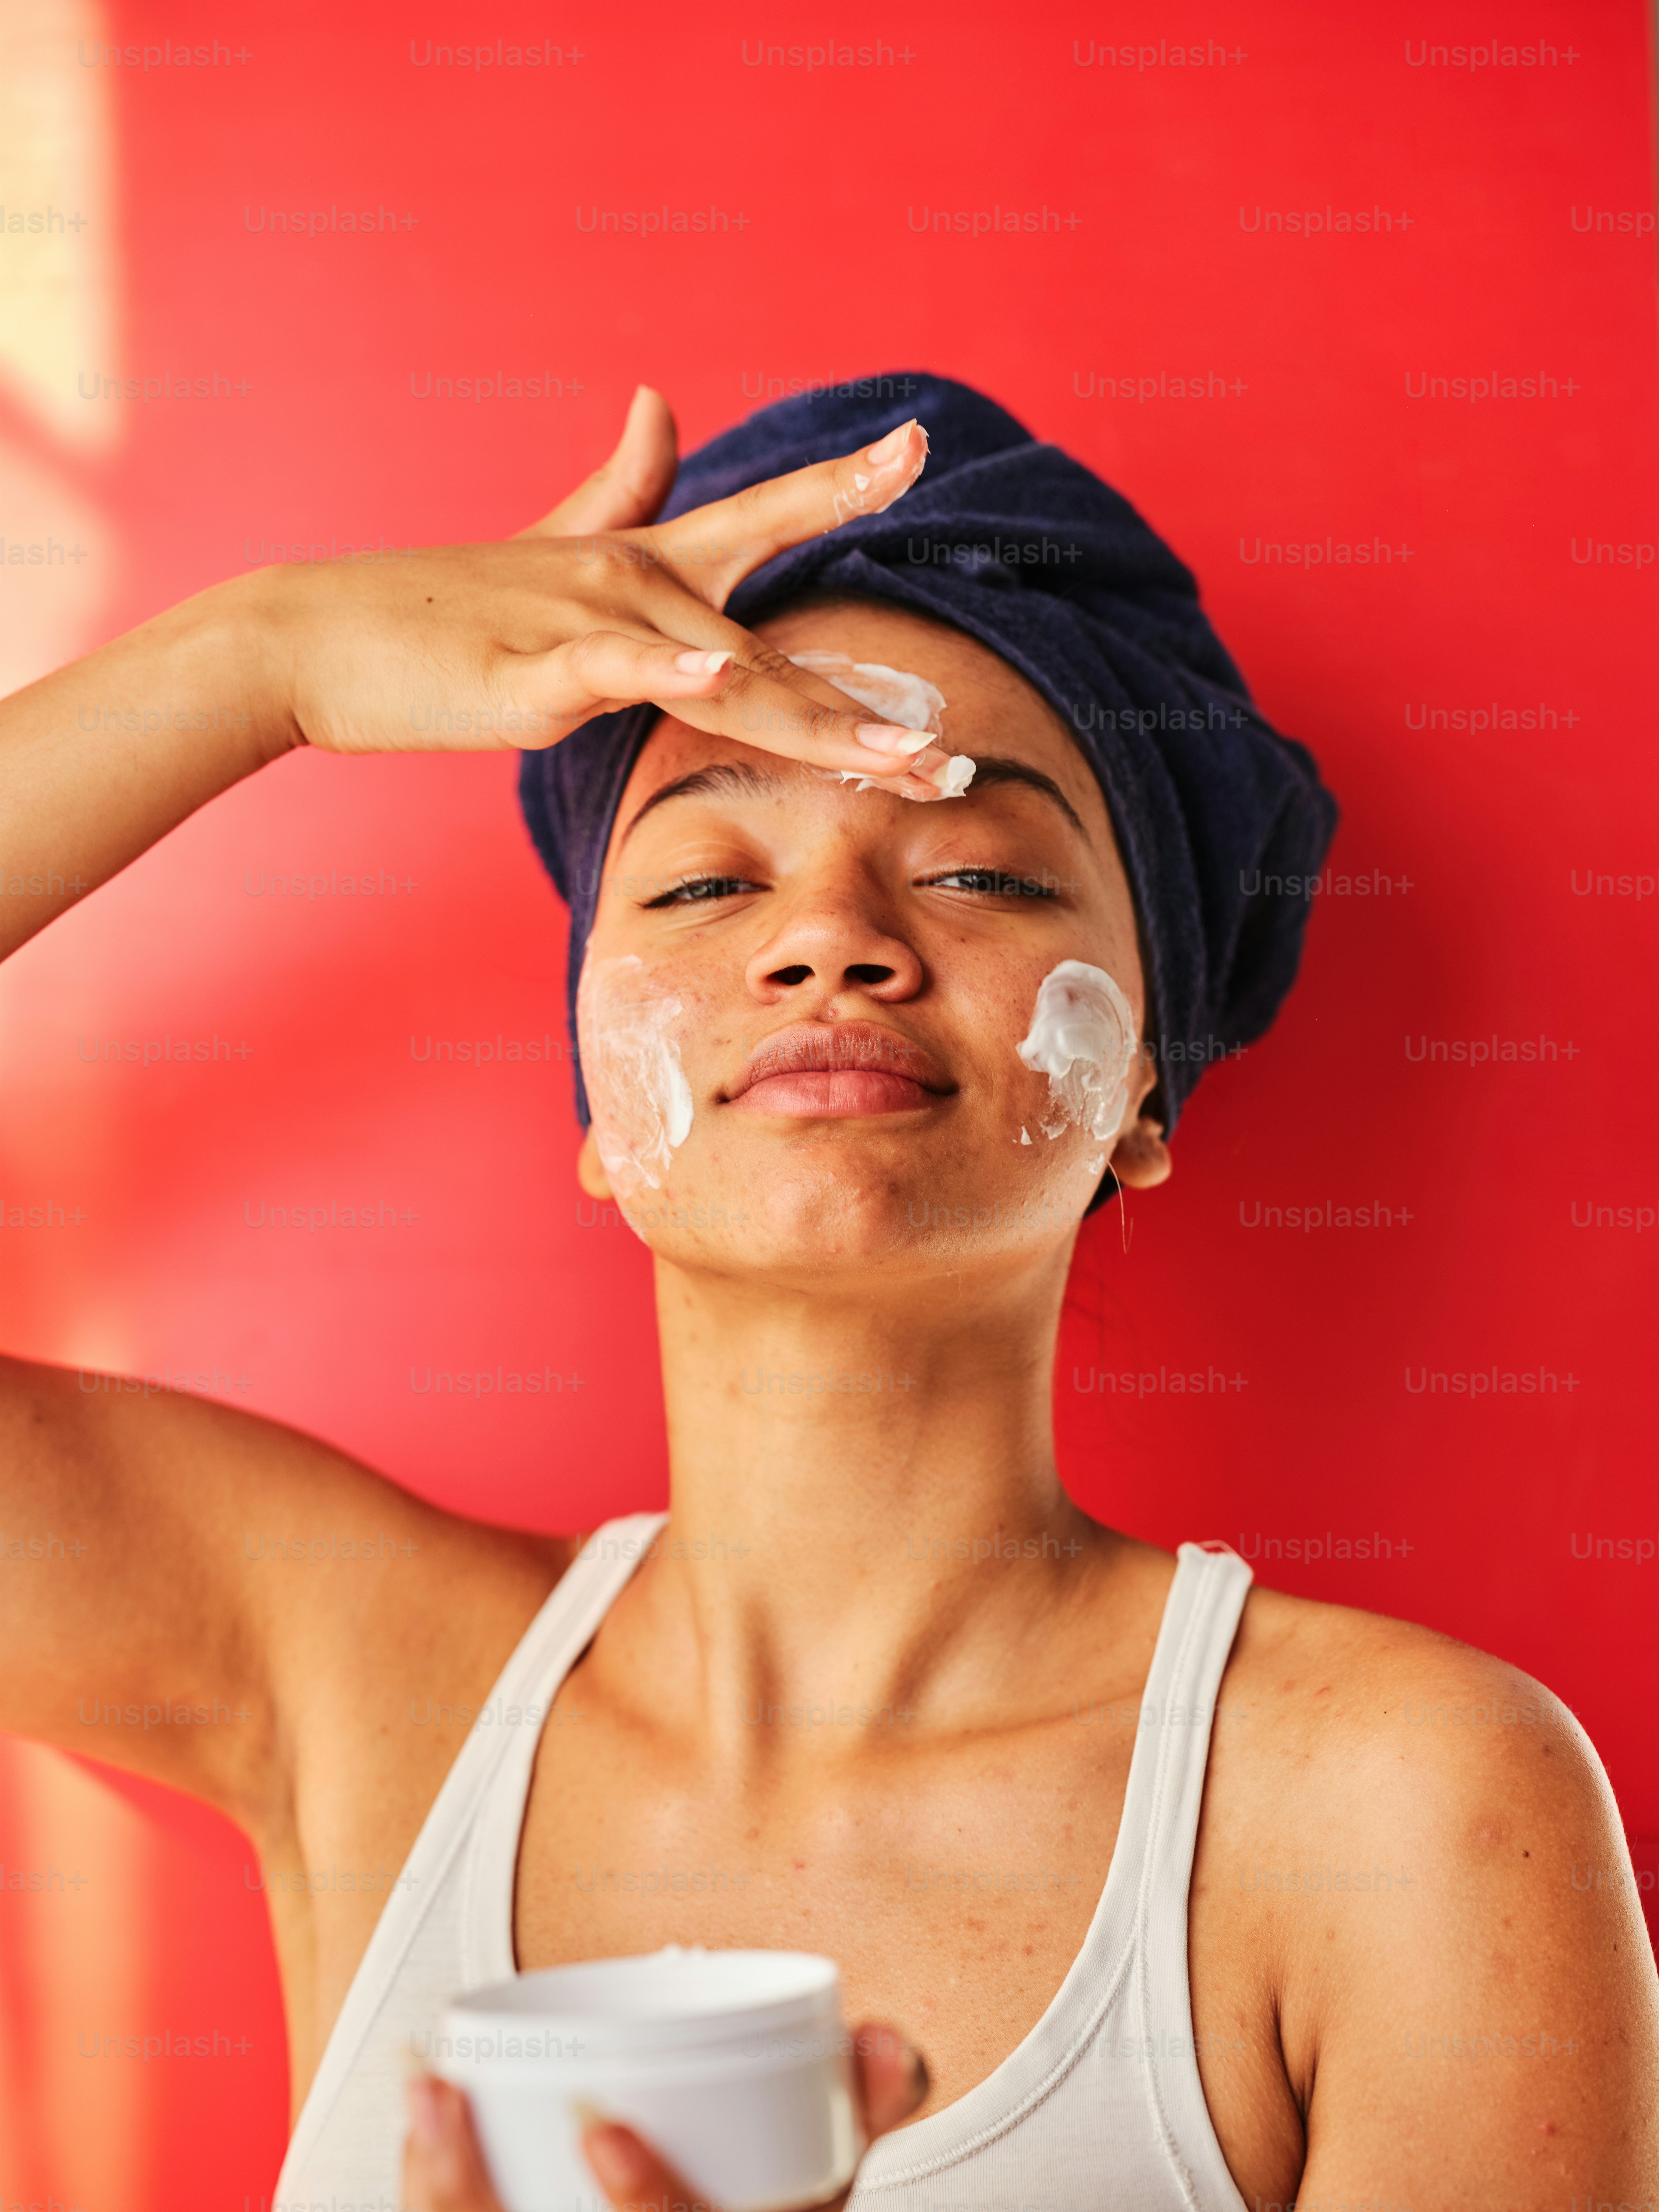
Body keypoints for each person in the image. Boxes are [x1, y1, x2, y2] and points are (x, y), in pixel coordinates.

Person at [1, 376, 1653, 2212]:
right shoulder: (353, 1683)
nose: (830, 938)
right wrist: (269, 655)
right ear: (589, 1116)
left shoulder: (1410, 1813)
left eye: (978, 866)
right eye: (708, 877)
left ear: (1143, 1100)